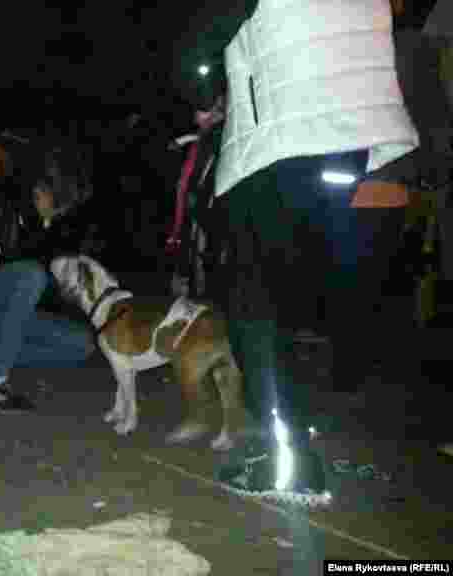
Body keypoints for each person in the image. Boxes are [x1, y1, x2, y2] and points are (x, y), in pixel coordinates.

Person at [175, 0, 418, 488]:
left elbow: (201, 39)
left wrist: (203, 96)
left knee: (253, 296)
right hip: (350, 136)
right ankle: (308, 432)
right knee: (299, 295)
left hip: (283, 133)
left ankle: (290, 463)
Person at [0, 145, 97, 414]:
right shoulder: (0, 204)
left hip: (10, 320)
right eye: (56, 203)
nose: (57, 213)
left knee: (84, 343)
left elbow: (43, 295)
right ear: (43, 189)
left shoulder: (50, 230)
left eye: (63, 209)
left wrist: (70, 292)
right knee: (31, 275)